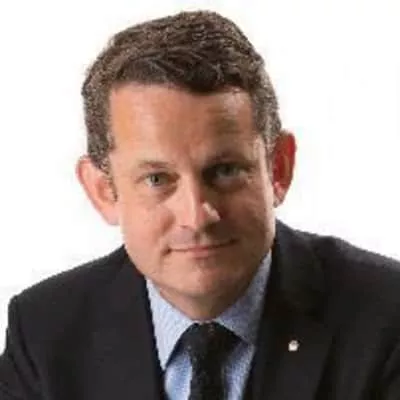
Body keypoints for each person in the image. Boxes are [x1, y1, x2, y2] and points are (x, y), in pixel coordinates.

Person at [0, 9, 399, 400]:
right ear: (103, 190)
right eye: (157, 179)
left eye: (224, 171)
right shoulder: (44, 335)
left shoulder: (387, 319)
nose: (197, 216)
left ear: (278, 169)